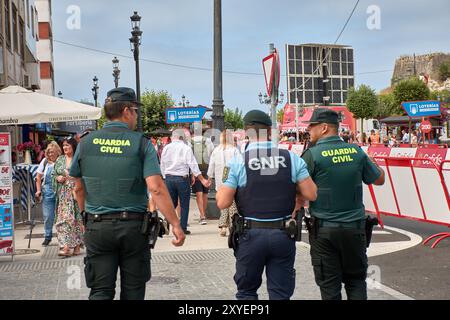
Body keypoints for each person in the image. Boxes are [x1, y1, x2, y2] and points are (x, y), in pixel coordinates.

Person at [70, 87, 185, 300]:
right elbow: (156, 188)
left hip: (98, 226)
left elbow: (78, 187)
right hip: (133, 228)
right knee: (133, 291)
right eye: (135, 110)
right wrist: (175, 223)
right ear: (126, 111)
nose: (136, 115)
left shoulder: (85, 143)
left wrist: (87, 215)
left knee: (100, 291)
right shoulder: (140, 143)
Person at [216, 110, 317, 300]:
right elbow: (311, 193)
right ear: (270, 131)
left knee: (246, 293)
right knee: (280, 293)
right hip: (283, 233)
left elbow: (222, 202)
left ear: (246, 132)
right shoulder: (292, 158)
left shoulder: (238, 161)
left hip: (250, 236)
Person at [301, 108, 385, 300]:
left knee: (330, 287)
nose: (309, 130)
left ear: (323, 128)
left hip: (324, 231)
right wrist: (372, 161)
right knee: (356, 281)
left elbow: (298, 189)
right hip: (355, 230)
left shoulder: (312, 155)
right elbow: (379, 179)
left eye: (312, 126)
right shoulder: (356, 152)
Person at [160, 129, 210, 235]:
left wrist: (165, 177)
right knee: (184, 204)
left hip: (169, 178)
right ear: (182, 138)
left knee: (172, 202)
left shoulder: (166, 148)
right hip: (182, 178)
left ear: (173, 137)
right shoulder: (185, 148)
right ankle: (182, 227)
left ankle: (166, 220)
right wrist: (201, 179)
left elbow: (162, 164)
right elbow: (193, 164)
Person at [52, 137, 83, 257]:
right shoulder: (60, 159)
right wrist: (57, 178)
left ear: (73, 147)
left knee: (77, 220)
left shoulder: (79, 159)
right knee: (64, 220)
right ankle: (65, 247)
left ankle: (76, 245)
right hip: (64, 194)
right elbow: (53, 174)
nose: (65, 147)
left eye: (67, 145)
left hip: (77, 192)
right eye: (64, 145)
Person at [207, 130, 241, 236]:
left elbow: (211, 165)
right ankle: (233, 224)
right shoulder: (234, 150)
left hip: (220, 179)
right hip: (232, 179)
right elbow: (240, 164)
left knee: (223, 203)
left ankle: (223, 226)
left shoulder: (216, 150)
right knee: (232, 203)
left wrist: (209, 177)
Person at [35, 142, 62, 246]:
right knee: (48, 216)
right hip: (47, 192)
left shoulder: (61, 160)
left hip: (60, 191)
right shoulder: (45, 161)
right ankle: (47, 236)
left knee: (61, 216)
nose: (51, 154)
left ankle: (62, 237)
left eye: (53, 152)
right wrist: (38, 190)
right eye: (49, 152)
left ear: (57, 152)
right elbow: (38, 177)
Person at [191, 128, 213, 225]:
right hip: (206, 169)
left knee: (199, 193)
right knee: (205, 194)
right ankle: (202, 215)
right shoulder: (207, 141)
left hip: (195, 171)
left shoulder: (190, 142)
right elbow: (211, 154)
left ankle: (202, 215)